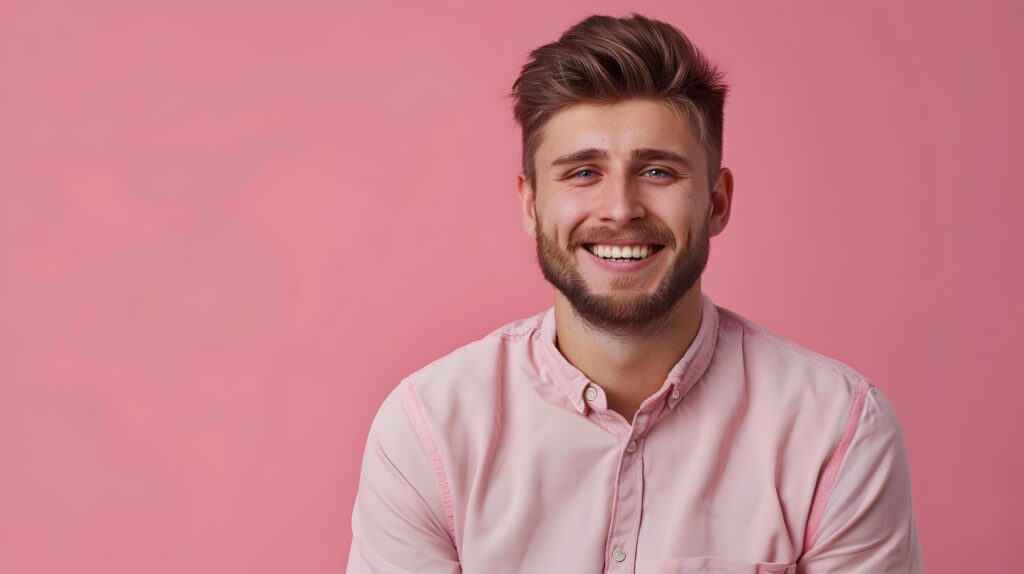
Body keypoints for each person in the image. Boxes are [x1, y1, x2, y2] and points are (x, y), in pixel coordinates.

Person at [347, 13, 922, 574]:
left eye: (657, 172)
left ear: (717, 203)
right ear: (530, 204)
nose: (620, 209)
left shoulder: (835, 431)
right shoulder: (429, 431)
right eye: (582, 173)